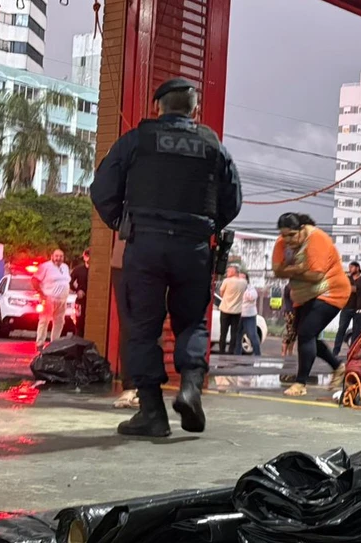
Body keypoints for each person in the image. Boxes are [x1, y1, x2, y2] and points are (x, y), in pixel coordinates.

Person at [90, 77, 242, 438]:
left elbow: (102, 188)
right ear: (194, 110)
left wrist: (121, 221)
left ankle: (152, 413)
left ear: (158, 107)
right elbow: (232, 200)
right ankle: (190, 388)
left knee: (141, 327)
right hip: (194, 247)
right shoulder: (212, 145)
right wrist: (204, 226)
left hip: (145, 245)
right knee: (192, 322)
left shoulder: (137, 140)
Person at [272, 213, 351, 396]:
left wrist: (289, 271)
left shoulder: (317, 238)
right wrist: (300, 270)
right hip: (304, 295)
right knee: (309, 337)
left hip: (331, 290)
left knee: (306, 333)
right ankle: (338, 367)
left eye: (292, 235)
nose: (287, 240)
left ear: (302, 229)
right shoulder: (281, 243)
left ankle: (300, 384)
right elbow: (277, 271)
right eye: (284, 235)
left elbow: (316, 275)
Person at [31, 249, 70, 350]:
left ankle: (54, 343)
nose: (58, 258)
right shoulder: (45, 266)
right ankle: (40, 344)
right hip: (49, 298)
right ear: (52, 256)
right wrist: (41, 294)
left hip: (62, 299)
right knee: (44, 321)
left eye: (61, 256)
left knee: (60, 322)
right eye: (56, 256)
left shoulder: (65, 267)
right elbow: (34, 280)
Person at [333, 262, 361, 356]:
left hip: (358, 309)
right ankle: (335, 351)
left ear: (357, 268)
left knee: (356, 331)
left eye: (352, 267)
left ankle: (353, 352)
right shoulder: (346, 278)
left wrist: (352, 288)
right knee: (341, 329)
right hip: (346, 308)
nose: (350, 269)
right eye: (349, 267)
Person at [217, 264, 245, 354]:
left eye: (228, 271)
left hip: (225, 309)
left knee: (223, 332)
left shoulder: (226, 281)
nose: (227, 273)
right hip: (237, 311)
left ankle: (222, 351)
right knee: (234, 333)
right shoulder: (244, 282)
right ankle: (231, 351)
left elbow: (221, 293)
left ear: (233, 272)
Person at [238, 272, 261, 356]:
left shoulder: (251, 289)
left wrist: (245, 293)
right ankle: (236, 354)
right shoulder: (236, 287)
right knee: (238, 335)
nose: (241, 280)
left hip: (249, 315)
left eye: (243, 278)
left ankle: (257, 353)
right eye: (239, 278)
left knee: (252, 334)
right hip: (238, 314)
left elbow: (252, 297)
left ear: (247, 280)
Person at [71, 248, 90, 337]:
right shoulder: (78, 270)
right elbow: (69, 282)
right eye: (87, 256)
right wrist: (77, 290)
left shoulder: (96, 271)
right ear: (84, 257)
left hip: (92, 300)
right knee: (79, 323)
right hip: (80, 300)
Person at [280, 281, 297, 357]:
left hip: (294, 311)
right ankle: (284, 352)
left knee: (294, 333)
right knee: (290, 332)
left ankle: (290, 352)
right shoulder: (289, 286)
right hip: (289, 311)